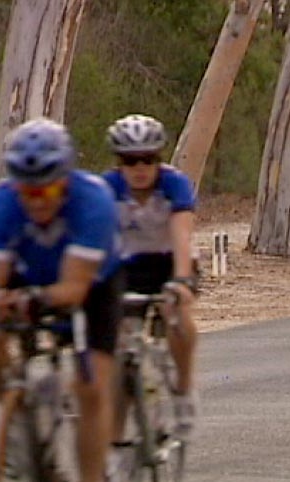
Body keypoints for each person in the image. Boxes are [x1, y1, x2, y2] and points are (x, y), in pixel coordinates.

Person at [0, 117, 121, 482]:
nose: (37, 201)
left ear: (65, 181)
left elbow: (73, 290)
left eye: (48, 191)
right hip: (27, 274)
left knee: (91, 386)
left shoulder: (94, 201)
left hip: (93, 286)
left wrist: (32, 301)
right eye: (28, 191)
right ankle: (17, 420)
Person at [102, 114, 199, 444]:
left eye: (149, 159)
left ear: (159, 159)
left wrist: (182, 282)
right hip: (127, 267)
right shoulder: (106, 189)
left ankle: (183, 390)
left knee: (178, 319)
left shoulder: (174, 184)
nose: (140, 168)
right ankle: (116, 444)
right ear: (119, 164)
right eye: (131, 161)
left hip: (169, 261)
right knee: (121, 351)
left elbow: (182, 236)